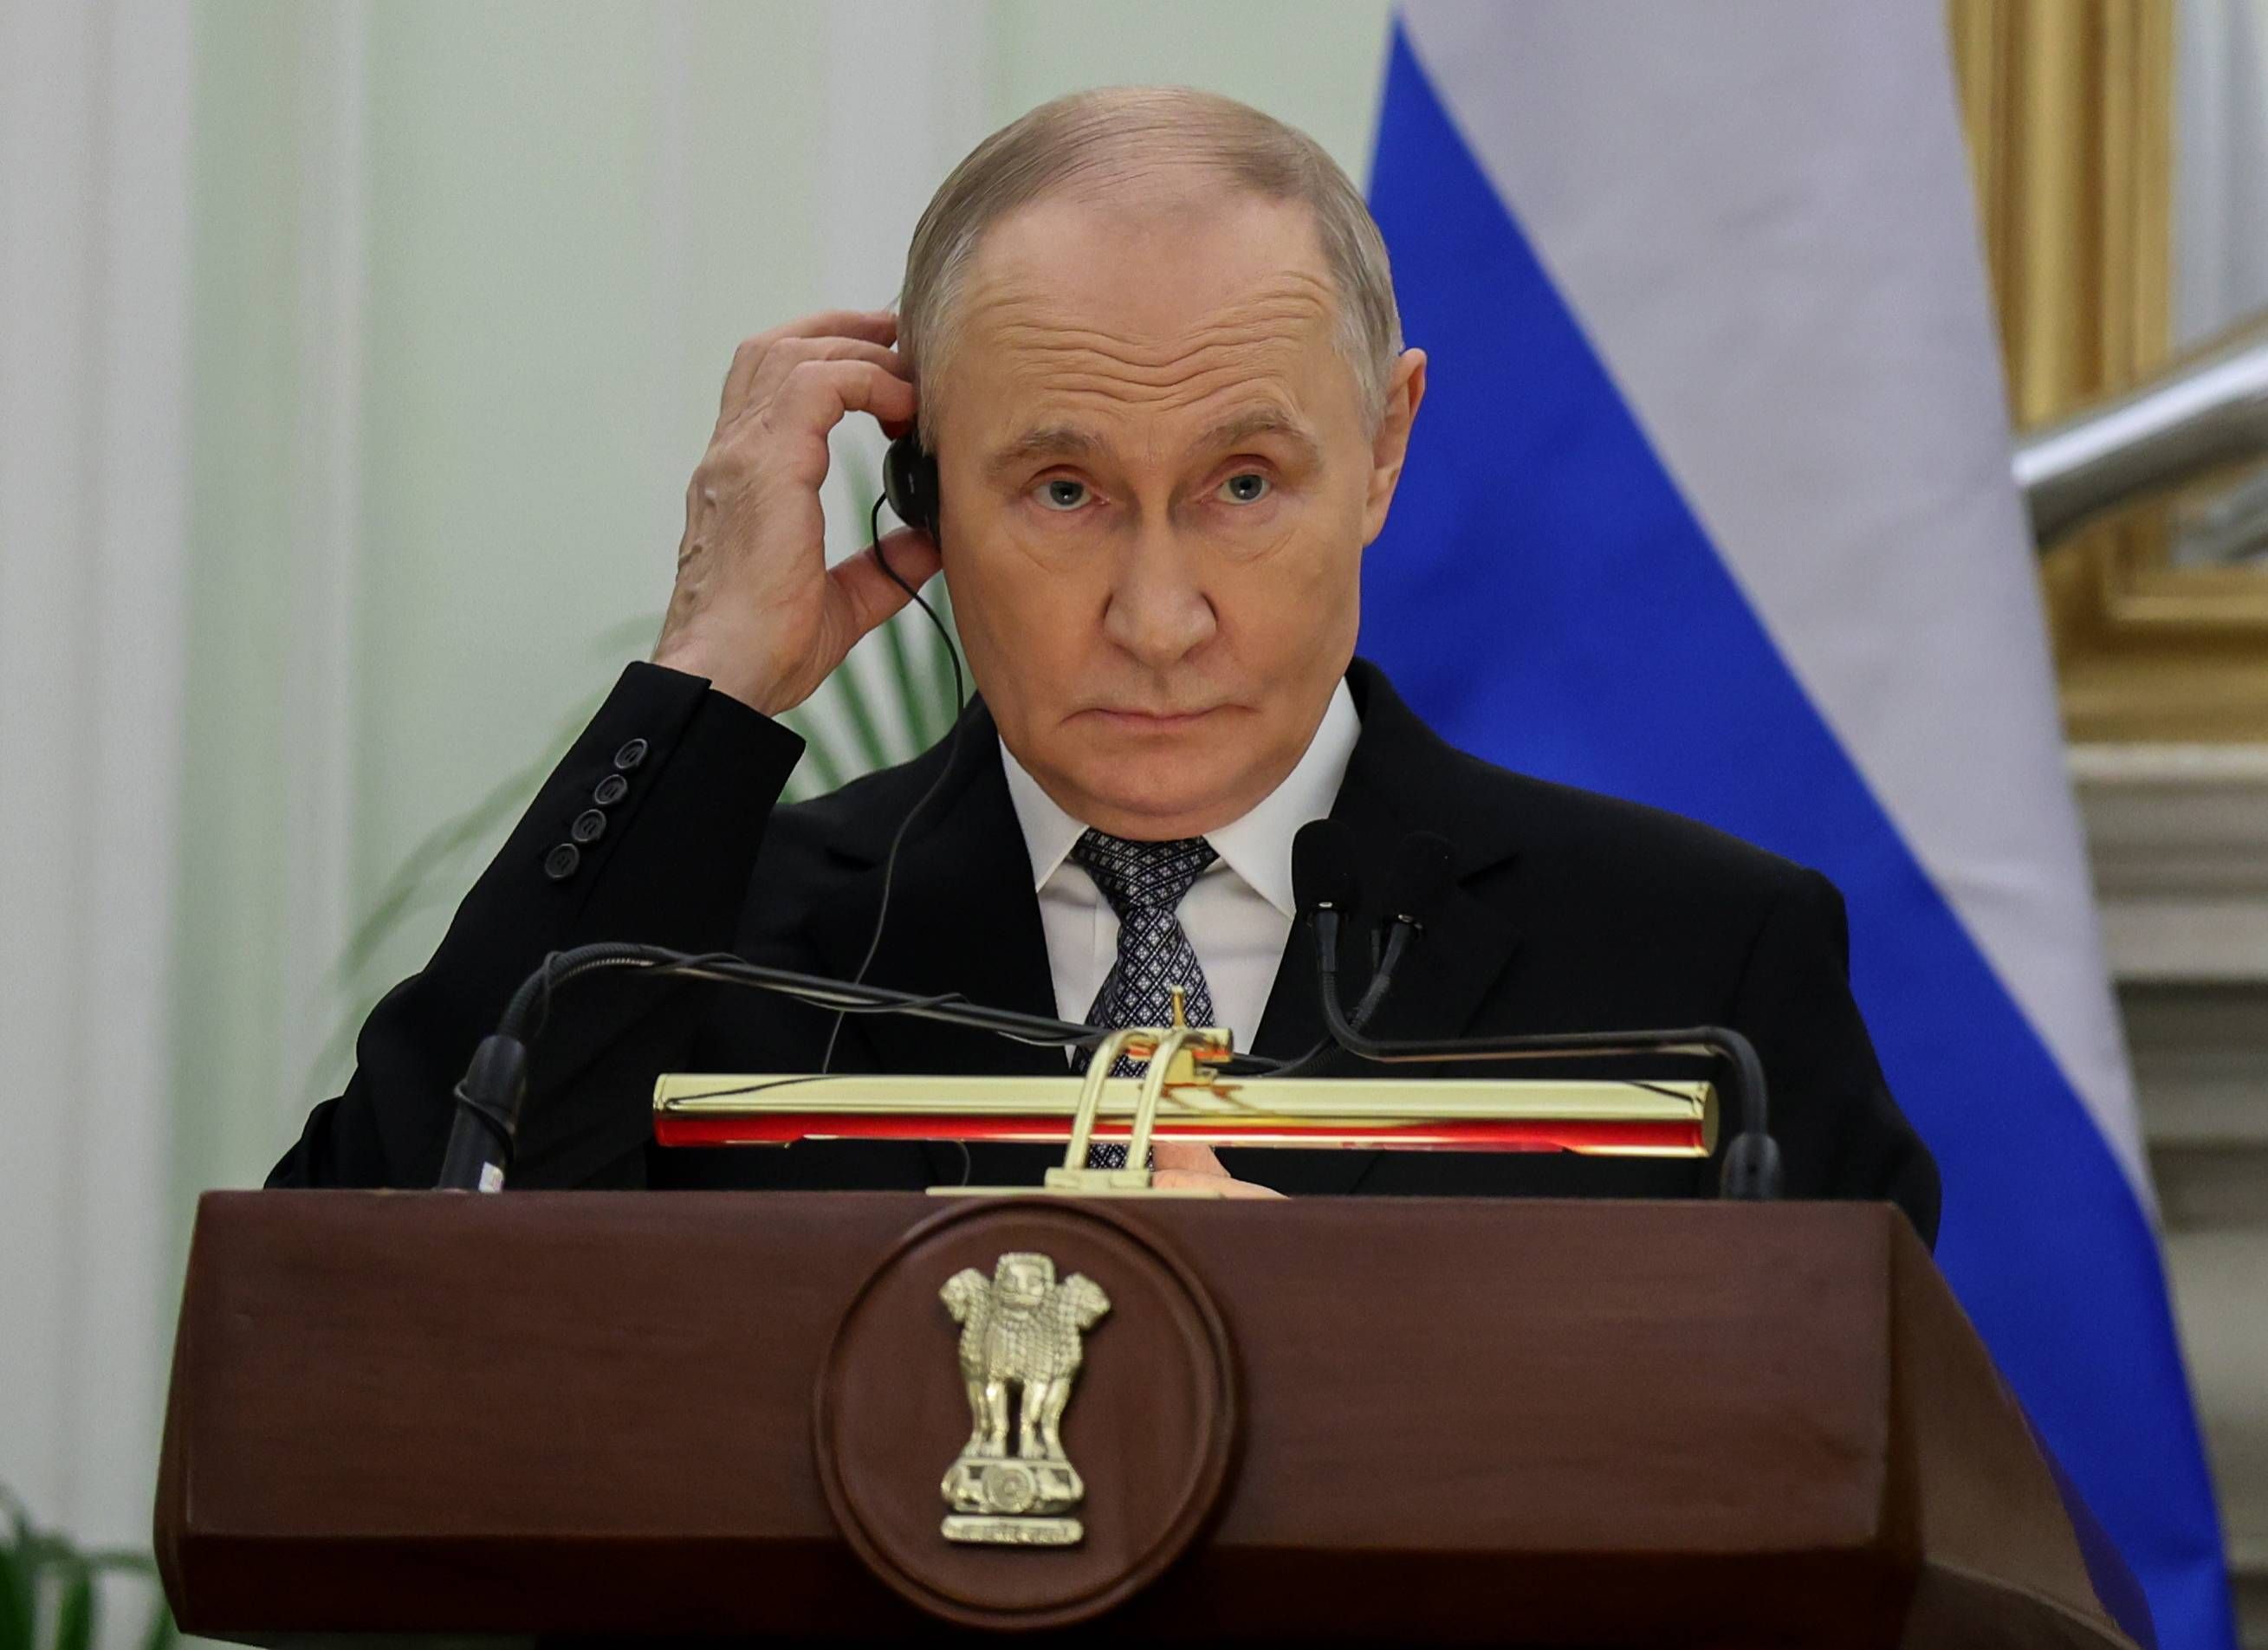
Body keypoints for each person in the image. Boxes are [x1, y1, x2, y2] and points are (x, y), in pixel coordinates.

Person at [269, 87, 1939, 1241]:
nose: (1156, 617)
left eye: (1242, 485)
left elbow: (1857, 1528)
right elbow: (361, 1361)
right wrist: (706, 679)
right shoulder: (691, 950)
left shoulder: (1699, 966)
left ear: (1383, 447)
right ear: (922, 486)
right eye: (1063, 491)